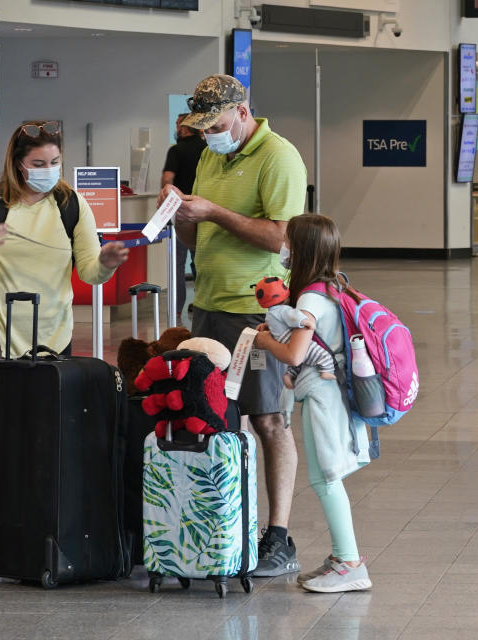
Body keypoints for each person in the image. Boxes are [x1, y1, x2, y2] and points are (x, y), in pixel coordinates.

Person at [0, 120, 129, 566]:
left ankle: (41, 527)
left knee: (47, 440)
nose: (49, 170)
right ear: (17, 163)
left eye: (55, 162)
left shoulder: (70, 204)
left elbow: (88, 269)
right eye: (39, 163)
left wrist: (105, 262)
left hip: (54, 340)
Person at [158, 74, 307, 577]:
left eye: (217, 125)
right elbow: (199, 238)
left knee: (267, 418)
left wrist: (215, 212)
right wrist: (179, 215)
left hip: (255, 312)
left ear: (242, 112)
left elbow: (283, 238)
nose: (210, 135)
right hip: (208, 304)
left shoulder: (278, 157)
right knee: (219, 419)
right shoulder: (208, 155)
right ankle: (232, 525)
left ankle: (280, 537)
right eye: (203, 129)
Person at [254, 214, 372, 593]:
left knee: (326, 479)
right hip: (328, 391)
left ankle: (350, 562)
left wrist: (261, 342)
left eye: (287, 241)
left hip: (323, 396)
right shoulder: (333, 285)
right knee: (326, 476)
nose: (282, 247)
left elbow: (292, 353)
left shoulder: (309, 297)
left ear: (301, 249)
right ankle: (342, 558)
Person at [161, 113, 207, 322]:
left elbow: (168, 178)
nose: (176, 128)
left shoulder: (176, 150)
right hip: (204, 211)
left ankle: (176, 309)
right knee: (201, 261)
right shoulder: (208, 150)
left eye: (179, 125)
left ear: (185, 128)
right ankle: (202, 304)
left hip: (180, 212)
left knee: (177, 263)